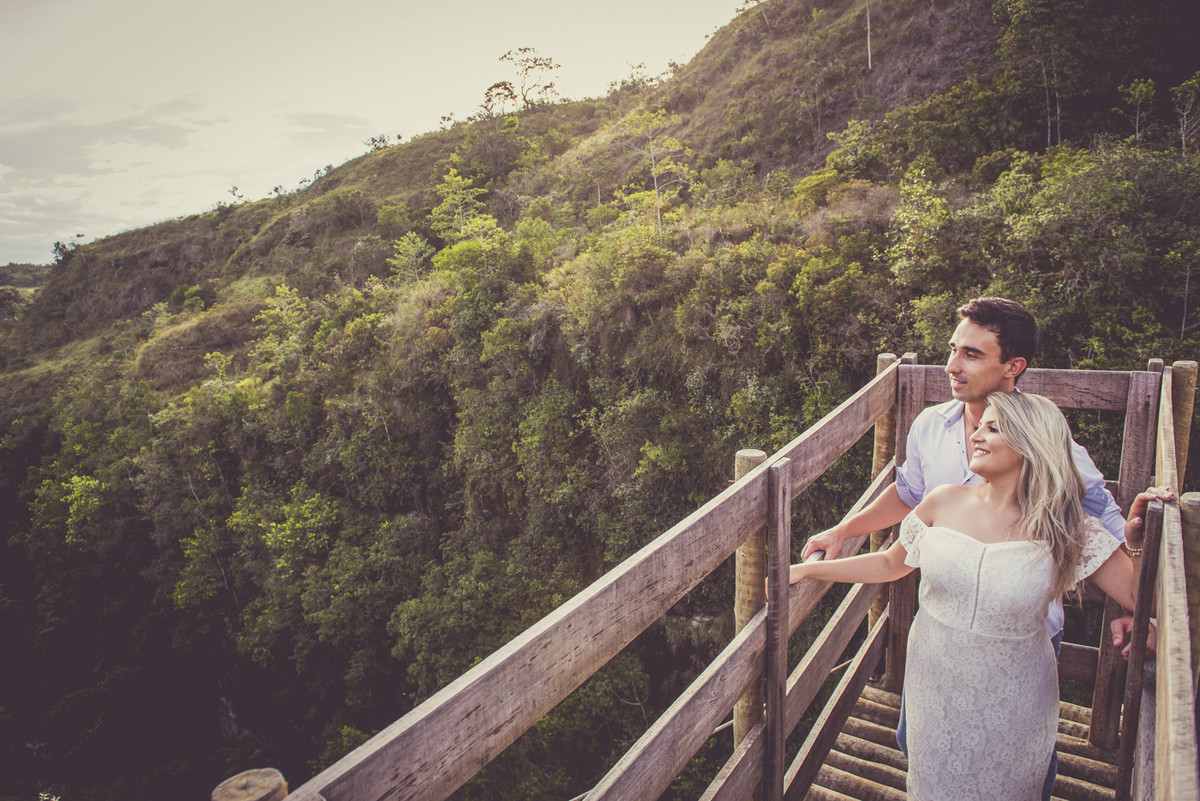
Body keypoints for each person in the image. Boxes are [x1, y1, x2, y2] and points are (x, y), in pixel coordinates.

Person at [799, 296, 1141, 799]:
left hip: (1021, 638)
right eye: (953, 349)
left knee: (1019, 775)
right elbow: (909, 497)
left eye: (973, 355)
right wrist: (843, 531)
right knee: (922, 754)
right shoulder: (930, 428)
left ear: (1013, 367)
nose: (952, 365)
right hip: (937, 647)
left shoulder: (1057, 452)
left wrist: (1142, 607)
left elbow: (1103, 537)